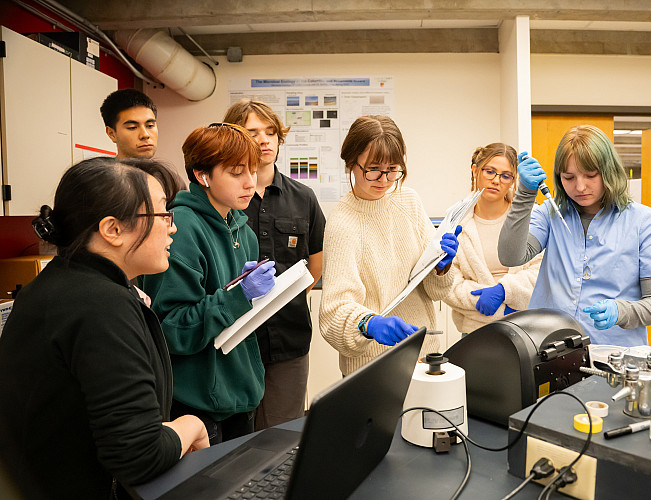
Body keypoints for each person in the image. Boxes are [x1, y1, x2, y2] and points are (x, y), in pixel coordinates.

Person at [0, 158, 209, 499]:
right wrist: (191, 426)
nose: (173, 227)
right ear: (113, 229)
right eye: (163, 215)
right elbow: (139, 455)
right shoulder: (100, 305)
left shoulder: (63, 282)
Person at [139, 123, 276, 445]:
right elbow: (172, 328)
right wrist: (237, 296)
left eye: (253, 171)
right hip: (198, 399)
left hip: (238, 391)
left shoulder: (243, 229)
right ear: (202, 176)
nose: (249, 182)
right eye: (236, 172)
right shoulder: (182, 228)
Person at [498, 125, 651, 346]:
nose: (580, 187)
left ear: (609, 171)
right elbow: (510, 257)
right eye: (569, 177)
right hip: (550, 351)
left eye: (590, 175)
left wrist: (621, 311)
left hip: (614, 356)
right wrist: (524, 193)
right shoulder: (550, 214)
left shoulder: (643, 222)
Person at [319, 115, 461, 376]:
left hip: (424, 355)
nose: (384, 179)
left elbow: (435, 292)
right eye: (373, 168)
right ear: (351, 162)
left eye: (393, 169)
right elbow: (333, 314)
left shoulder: (408, 201)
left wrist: (442, 267)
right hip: (373, 367)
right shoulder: (342, 222)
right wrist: (368, 323)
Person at [223, 100, 326, 430]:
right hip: (233, 339)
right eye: (253, 132)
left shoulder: (303, 197)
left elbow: (316, 265)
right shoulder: (225, 200)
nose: (265, 140)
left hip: (289, 339)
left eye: (271, 132)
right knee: (234, 441)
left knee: (283, 437)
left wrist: (279, 300)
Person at [444, 143, 543, 334]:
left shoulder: (532, 216)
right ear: (475, 171)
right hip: (475, 331)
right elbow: (449, 284)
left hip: (526, 329)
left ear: (513, 181)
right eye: (490, 172)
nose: (496, 180)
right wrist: (502, 310)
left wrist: (505, 291)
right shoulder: (455, 219)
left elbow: (541, 271)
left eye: (506, 175)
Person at [100, 89, 159, 160]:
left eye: (150, 126)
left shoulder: (164, 171)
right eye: (132, 127)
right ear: (111, 134)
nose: (145, 135)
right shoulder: (101, 171)